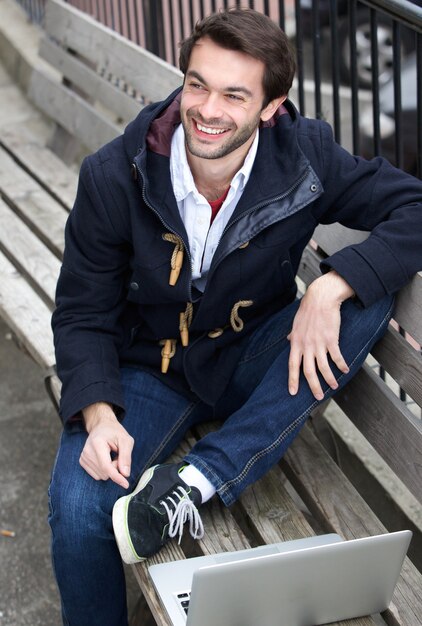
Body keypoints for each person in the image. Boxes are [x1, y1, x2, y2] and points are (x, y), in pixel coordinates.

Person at [49, 8, 422, 626]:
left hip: (256, 358)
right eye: (197, 84)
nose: (207, 109)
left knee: (365, 295)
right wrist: (98, 412)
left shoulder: (306, 155)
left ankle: (197, 479)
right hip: (151, 370)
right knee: (80, 507)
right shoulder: (116, 174)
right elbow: (83, 309)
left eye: (234, 94)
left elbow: (413, 206)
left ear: (272, 105)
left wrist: (330, 287)